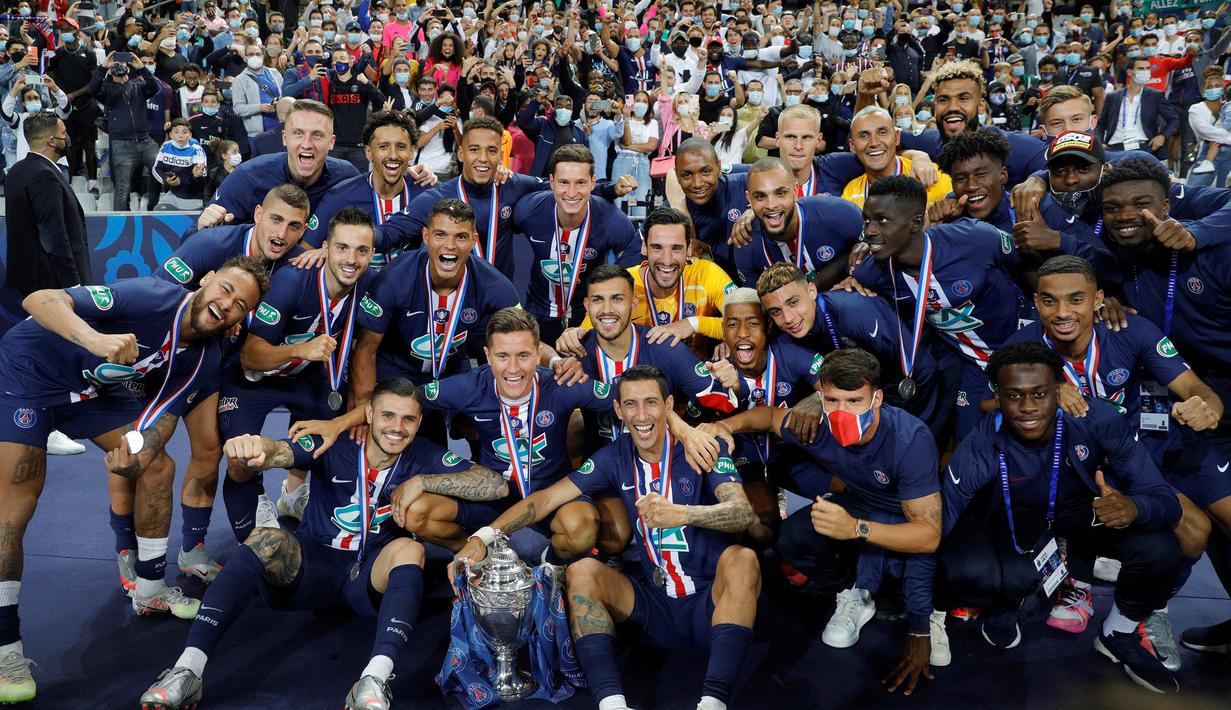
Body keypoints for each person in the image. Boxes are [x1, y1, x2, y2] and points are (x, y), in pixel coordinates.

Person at [139, 378, 507, 710]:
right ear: (368, 414)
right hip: (312, 567)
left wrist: (425, 481)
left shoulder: (424, 454)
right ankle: (187, 671)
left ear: (419, 421)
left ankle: (374, 680)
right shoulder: (334, 441)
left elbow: (496, 485)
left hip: (369, 577)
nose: (397, 427)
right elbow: (279, 452)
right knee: (266, 538)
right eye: (388, 415)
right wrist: (256, 447)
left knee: (411, 549)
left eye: (408, 419)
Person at [0, 258, 268, 704]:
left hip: (89, 392)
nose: (227, 305)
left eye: (240, 305)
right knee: (15, 510)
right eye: (225, 290)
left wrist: (136, 457)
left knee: (157, 466)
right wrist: (95, 339)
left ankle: (149, 589)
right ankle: (5, 648)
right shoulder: (151, 297)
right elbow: (39, 299)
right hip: (28, 371)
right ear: (207, 280)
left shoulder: (205, 357)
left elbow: (162, 420)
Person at [450, 365, 759, 710]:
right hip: (654, 607)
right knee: (583, 571)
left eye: (651, 402)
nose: (641, 415)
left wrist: (683, 514)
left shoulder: (703, 448)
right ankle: (611, 703)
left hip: (709, 605)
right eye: (630, 404)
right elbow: (545, 500)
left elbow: (742, 513)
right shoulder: (616, 455)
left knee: (743, 559)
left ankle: (713, 702)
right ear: (618, 410)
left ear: (669, 406)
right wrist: (484, 536)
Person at [938, 342, 1182, 693]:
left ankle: (1118, 633)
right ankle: (1006, 603)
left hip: (1083, 510)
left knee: (1161, 548)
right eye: (1014, 396)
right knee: (1005, 575)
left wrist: (1134, 507)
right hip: (1019, 518)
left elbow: (1165, 500)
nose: (1028, 407)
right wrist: (921, 614)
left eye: (1039, 394)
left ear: (1059, 391)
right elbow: (940, 525)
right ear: (998, 399)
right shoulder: (983, 443)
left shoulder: (1097, 420)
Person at [706, 347, 948, 692]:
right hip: (859, 501)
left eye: (855, 401)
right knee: (793, 538)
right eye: (833, 400)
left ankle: (926, 608)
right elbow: (769, 417)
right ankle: (852, 591)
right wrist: (725, 426)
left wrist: (855, 529)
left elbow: (928, 535)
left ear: (877, 399)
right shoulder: (817, 424)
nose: (842, 412)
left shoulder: (910, 439)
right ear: (820, 398)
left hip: (905, 512)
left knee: (958, 568)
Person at [220, 207, 378, 543]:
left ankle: (292, 493)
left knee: (332, 435)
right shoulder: (292, 281)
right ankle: (256, 500)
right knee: (243, 456)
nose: (351, 260)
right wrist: (299, 349)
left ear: (372, 254)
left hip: (309, 377)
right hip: (254, 378)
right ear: (325, 248)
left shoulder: (371, 285)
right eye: (342, 248)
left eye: (361, 250)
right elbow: (250, 355)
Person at [849, 175, 1031, 440]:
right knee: (969, 438)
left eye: (882, 221)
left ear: (915, 223)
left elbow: (1027, 265)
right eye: (867, 221)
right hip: (975, 363)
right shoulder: (872, 271)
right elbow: (852, 272)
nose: (870, 231)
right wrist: (849, 280)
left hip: (1023, 345)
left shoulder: (974, 238)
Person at [196, 100, 433, 233]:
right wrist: (202, 225)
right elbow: (197, 239)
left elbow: (379, 186)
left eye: (317, 135)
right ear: (284, 138)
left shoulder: (346, 174)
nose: (307, 144)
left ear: (331, 142)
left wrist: (406, 174)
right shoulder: (248, 177)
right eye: (298, 133)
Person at [2, 111, 90, 457]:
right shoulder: (42, 174)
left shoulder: (18, 170)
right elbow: (53, 234)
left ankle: (44, 423)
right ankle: (45, 427)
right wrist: (72, 286)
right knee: (47, 354)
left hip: (33, 280)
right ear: (52, 140)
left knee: (42, 352)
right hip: (49, 283)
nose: (67, 138)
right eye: (64, 133)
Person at [563, 207, 736, 355]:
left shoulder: (706, 274)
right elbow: (586, 333)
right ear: (644, 247)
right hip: (637, 381)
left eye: (676, 248)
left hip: (694, 378)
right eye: (657, 247)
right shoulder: (622, 284)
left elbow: (746, 321)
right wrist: (572, 337)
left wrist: (693, 324)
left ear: (689, 248)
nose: (667, 260)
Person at [300, 110, 427, 272]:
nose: (393, 155)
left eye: (401, 146)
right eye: (383, 147)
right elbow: (304, 254)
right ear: (368, 152)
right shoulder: (339, 196)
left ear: (411, 152)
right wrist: (327, 252)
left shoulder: (426, 192)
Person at [732, 157, 864, 290]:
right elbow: (757, 299)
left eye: (781, 193)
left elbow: (870, 247)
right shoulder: (745, 244)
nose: (771, 205)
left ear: (795, 191)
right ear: (749, 199)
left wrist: (859, 275)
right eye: (760, 197)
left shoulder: (837, 213)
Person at [88, 50, 160, 212]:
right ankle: (122, 221)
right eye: (116, 63)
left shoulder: (138, 85)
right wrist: (103, 67)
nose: (119, 66)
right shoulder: (106, 90)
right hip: (122, 144)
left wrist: (141, 67)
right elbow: (92, 89)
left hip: (145, 140)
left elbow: (154, 87)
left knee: (163, 170)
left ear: (128, 68)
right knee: (122, 188)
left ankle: (154, 209)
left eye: (122, 63)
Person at [841, 106, 953, 208]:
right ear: (852, 146)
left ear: (897, 138)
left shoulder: (932, 176)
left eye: (882, 132)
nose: (874, 142)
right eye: (864, 136)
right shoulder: (849, 195)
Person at [1096, 56, 1178, 159]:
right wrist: (1099, 144)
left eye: (1148, 68)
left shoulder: (1155, 96)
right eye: (1141, 69)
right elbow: (1101, 124)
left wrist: (1163, 136)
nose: (1146, 72)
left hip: (1144, 148)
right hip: (1114, 148)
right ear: (1130, 72)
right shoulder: (1113, 97)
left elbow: (1174, 119)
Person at [152, 118, 209, 210]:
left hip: (194, 197)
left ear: (190, 135)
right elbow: (156, 169)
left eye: (185, 132)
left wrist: (196, 175)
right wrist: (166, 180)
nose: (180, 136)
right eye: (176, 132)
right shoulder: (165, 146)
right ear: (171, 134)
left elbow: (203, 178)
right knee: (158, 211)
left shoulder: (197, 149)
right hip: (172, 195)